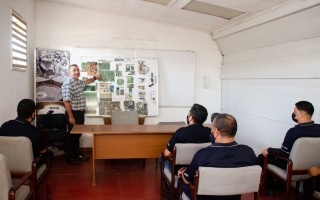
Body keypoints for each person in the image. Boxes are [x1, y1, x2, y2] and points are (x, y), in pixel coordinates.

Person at [178, 113, 257, 200]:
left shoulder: (202, 154)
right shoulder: (248, 152)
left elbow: (187, 180)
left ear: (216, 131)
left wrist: (182, 173)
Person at [258, 101, 320, 191]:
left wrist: (269, 150)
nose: (293, 114)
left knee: (262, 157)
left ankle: (270, 188)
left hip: (292, 166)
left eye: (295, 112)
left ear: (302, 114)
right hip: (313, 168)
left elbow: (283, 153)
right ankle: (280, 185)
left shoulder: (294, 131)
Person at [61, 64, 101, 165]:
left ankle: (77, 154)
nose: (77, 72)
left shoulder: (78, 82)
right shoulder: (68, 84)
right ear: (68, 72)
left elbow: (86, 82)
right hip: (73, 113)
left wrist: (95, 77)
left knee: (77, 135)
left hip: (79, 113)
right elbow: (66, 102)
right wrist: (70, 116)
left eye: (78, 70)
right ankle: (71, 158)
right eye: (74, 70)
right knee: (71, 136)